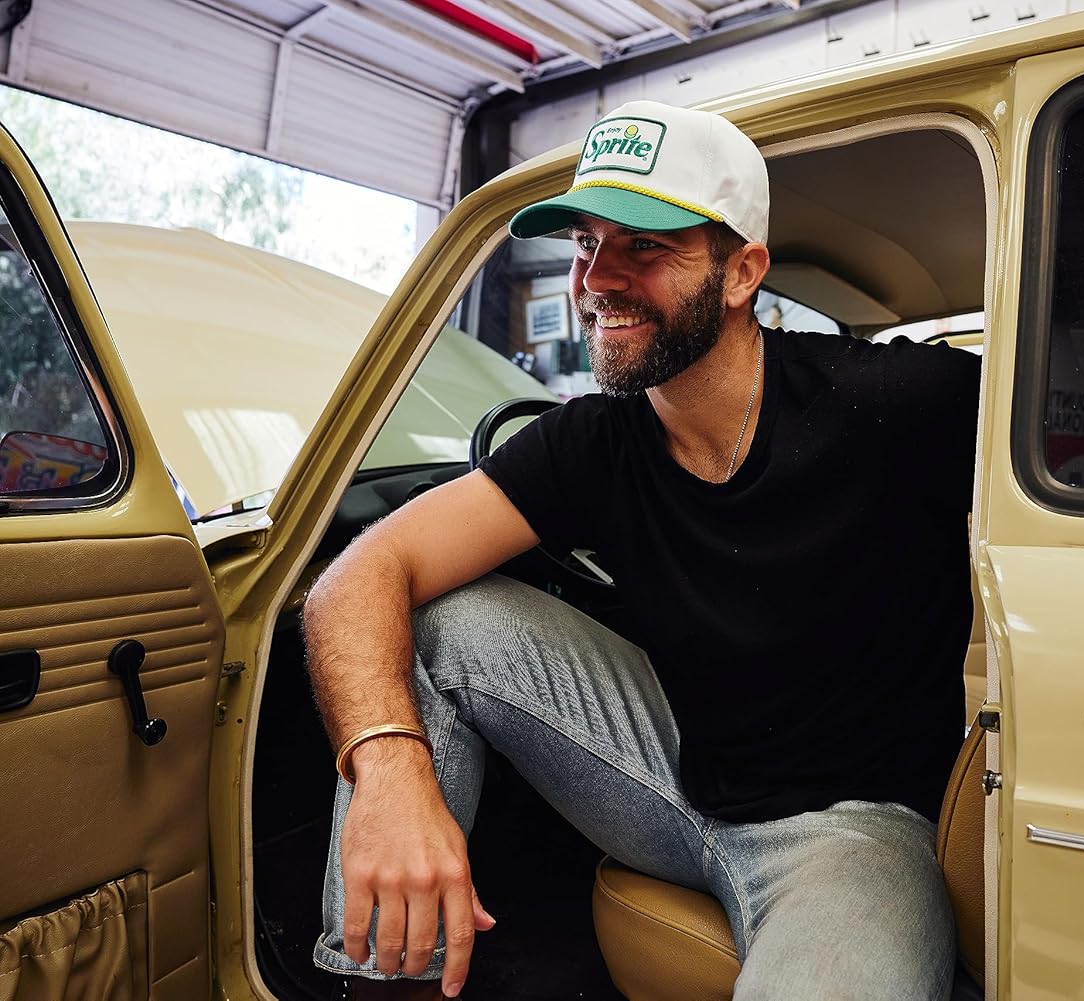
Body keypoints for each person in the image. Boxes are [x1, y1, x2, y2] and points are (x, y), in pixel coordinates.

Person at [305, 100, 981, 1000]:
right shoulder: (596, 440)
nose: (597, 280)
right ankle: (382, 982)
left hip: (851, 828)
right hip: (670, 767)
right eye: (587, 244)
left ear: (742, 273)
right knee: (437, 620)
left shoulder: (893, 402)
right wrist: (391, 768)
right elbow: (358, 574)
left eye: (645, 247)